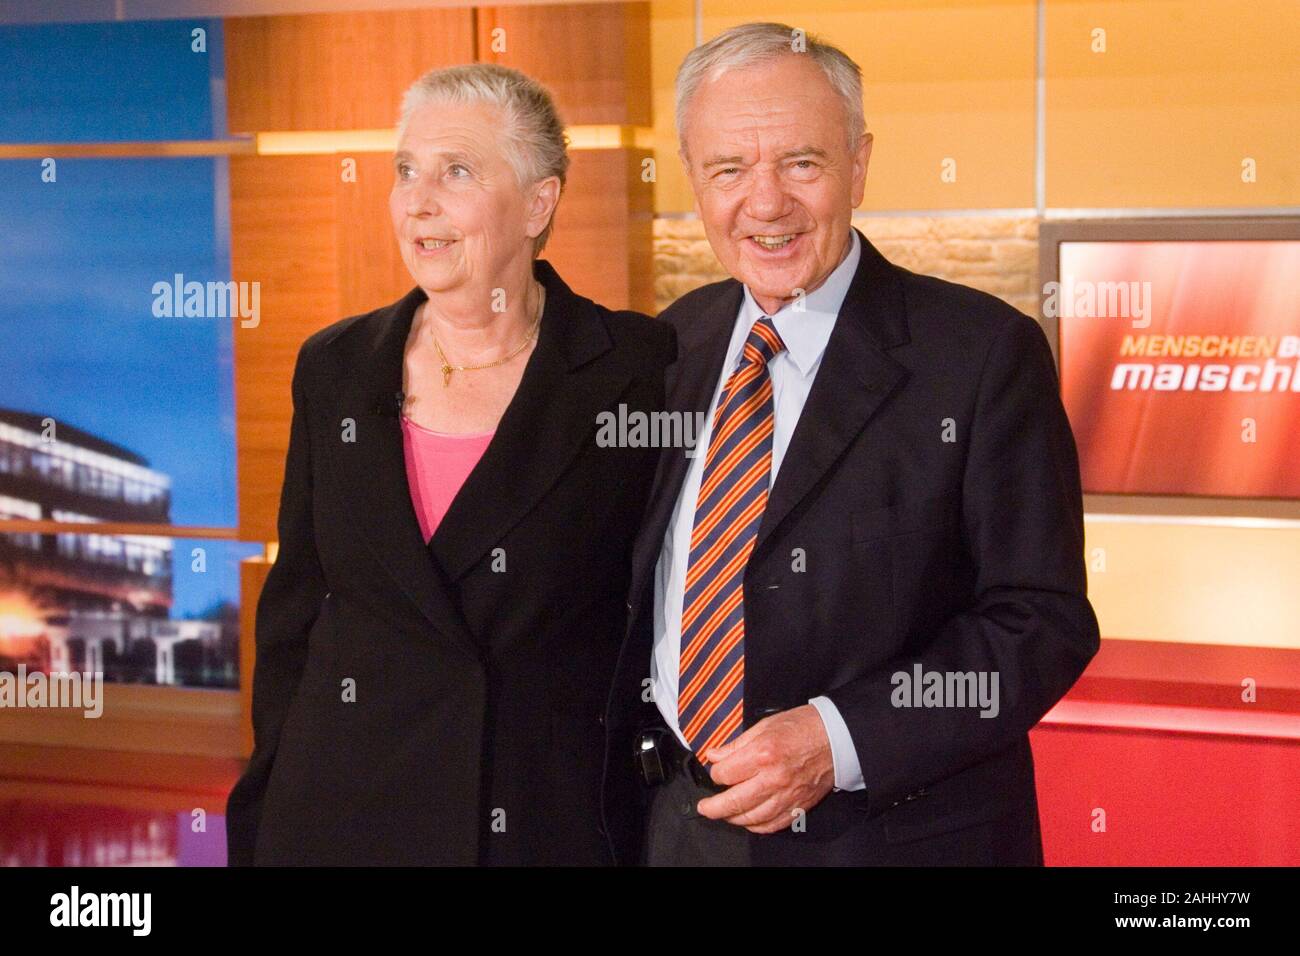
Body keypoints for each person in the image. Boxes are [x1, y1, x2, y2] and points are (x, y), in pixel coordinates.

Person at [600, 22, 1100, 866]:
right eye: (729, 169)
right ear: (693, 178)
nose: (765, 204)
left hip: (889, 839)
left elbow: (1039, 621)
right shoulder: (667, 349)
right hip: (676, 830)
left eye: (801, 163)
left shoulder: (979, 355)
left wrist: (838, 739)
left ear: (859, 166)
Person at [225, 63, 674, 865]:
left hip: (537, 821)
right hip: (339, 814)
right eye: (405, 171)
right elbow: (295, 612)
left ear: (540, 202)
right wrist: (261, 806)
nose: (417, 201)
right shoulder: (333, 365)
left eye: (456, 171)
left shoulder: (637, 368)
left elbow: (662, 607)